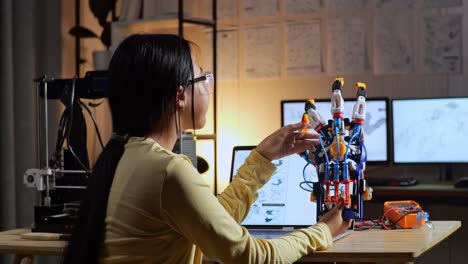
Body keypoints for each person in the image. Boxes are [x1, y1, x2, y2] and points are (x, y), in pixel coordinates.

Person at [63, 34, 351, 264]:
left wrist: (262, 158)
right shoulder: (168, 170)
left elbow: (214, 223)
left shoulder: (128, 154)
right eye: (204, 78)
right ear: (180, 96)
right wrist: (322, 232)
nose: (208, 87)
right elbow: (249, 256)